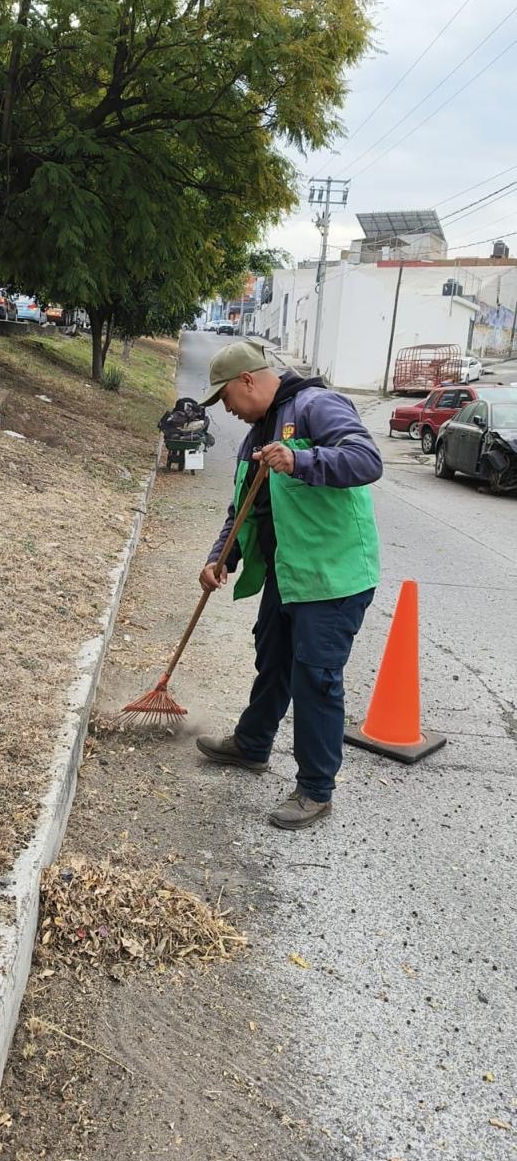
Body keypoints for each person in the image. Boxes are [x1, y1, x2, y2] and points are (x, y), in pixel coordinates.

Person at [196, 339, 382, 830]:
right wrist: (222, 557)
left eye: (227, 399)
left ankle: (316, 790)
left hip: (333, 576)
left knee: (315, 679)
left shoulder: (318, 406)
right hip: (290, 572)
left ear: (248, 381)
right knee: (273, 659)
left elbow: (367, 461)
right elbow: (244, 509)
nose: (227, 410)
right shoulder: (255, 433)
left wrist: (301, 461)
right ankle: (253, 746)